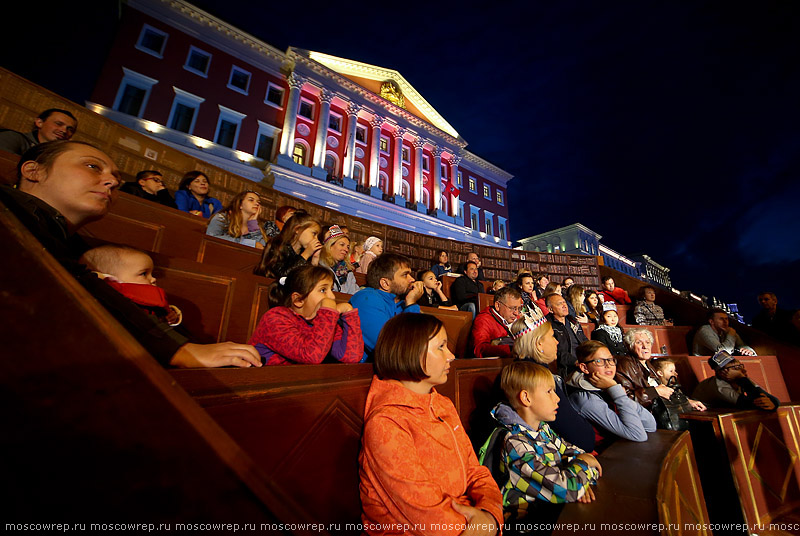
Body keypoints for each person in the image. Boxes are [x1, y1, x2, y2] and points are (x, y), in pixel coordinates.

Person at [1, 140, 260, 368]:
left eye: (116, 177)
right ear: (33, 171)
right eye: (92, 167)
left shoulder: (69, 244)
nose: (113, 181)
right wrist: (177, 349)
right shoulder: (10, 210)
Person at [359, 314, 503, 535]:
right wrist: (479, 528)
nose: (452, 356)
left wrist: (490, 515)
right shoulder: (386, 422)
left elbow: (476, 472)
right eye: (441, 347)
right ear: (411, 350)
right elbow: (422, 511)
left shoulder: (442, 404)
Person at [487, 361, 601, 526]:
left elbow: (579, 454)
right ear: (526, 398)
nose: (557, 398)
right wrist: (580, 473)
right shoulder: (516, 444)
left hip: (554, 511)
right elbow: (569, 488)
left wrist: (579, 478)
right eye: (549, 392)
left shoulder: (543, 429)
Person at [510, 316, 595, 452]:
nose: (556, 342)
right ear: (539, 344)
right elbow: (582, 438)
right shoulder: (534, 377)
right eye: (552, 336)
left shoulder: (529, 369)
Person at [248, 265, 363, 365]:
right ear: (298, 300)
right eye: (323, 290)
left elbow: (351, 356)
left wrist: (349, 314)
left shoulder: (325, 321)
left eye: (331, 289)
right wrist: (328, 311)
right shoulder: (275, 318)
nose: (332, 297)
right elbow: (311, 355)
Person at [567, 341, 656, 449]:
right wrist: (617, 392)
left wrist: (616, 391)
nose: (608, 365)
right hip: (602, 455)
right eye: (599, 361)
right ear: (584, 368)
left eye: (610, 360)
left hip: (621, 447)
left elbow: (650, 425)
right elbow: (637, 435)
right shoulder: (586, 399)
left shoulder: (608, 387)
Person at [80, 244, 182, 327]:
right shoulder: (110, 300)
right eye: (143, 274)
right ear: (111, 278)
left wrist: (171, 315)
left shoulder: (145, 297)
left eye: (151, 274)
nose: (153, 279)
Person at [350, 253, 424, 359]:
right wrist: (411, 304)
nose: (412, 279)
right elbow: (392, 350)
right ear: (385, 283)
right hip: (359, 372)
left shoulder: (402, 304)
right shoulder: (366, 299)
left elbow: (422, 343)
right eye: (405, 275)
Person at [615, 328, 689, 411]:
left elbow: (662, 391)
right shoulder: (626, 364)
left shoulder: (648, 364)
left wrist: (687, 402)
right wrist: (654, 392)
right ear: (630, 346)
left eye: (647, 342)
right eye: (639, 342)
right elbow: (627, 399)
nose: (645, 346)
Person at [692, 351, 779, 411]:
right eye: (736, 368)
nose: (743, 371)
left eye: (741, 366)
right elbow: (746, 404)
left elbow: (765, 396)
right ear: (723, 372)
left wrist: (774, 403)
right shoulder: (719, 386)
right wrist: (741, 377)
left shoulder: (740, 378)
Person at [253, 210, 322, 280]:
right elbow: (283, 277)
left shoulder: (305, 254)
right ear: (297, 229)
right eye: (314, 234)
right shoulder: (278, 245)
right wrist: (305, 255)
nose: (316, 239)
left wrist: (314, 262)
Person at [470, 286, 523, 359]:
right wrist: (511, 349)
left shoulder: (517, 318)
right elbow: (479, 349)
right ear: (498, 305)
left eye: (519, 308)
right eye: (512, 308)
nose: (516, 313)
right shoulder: (484, 320)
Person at [0, 108, 77, 155]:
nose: (64, 131)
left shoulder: (59, 157)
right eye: (58, 124)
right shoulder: (12, 138)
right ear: (39, 123)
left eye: (70, 129)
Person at [546, 293, 587, 378]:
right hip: (566, 367)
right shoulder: (547, 325)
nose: (564, 305)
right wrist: (575, 362)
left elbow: (585, 341)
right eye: (559, 304)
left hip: (583, 361)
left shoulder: (573, 321)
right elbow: (557, 352)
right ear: (550, 309)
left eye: (564, 302)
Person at [692, 308, 756, 356]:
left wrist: (750, 351)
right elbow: (724, 352)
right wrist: (731, 335)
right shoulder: (704, 330)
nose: (725, 322)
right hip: (702, 364)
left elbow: (743, 345)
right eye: (721, 319)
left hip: (720, 364)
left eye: (726, 319)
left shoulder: (727, 330)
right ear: (712, 322)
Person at [319, 225, 360, 294]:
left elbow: (355, 292)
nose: (346, 249)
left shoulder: (348, 271)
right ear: (330, 246)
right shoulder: (319, 265)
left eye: (347, 247)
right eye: (342, 245)